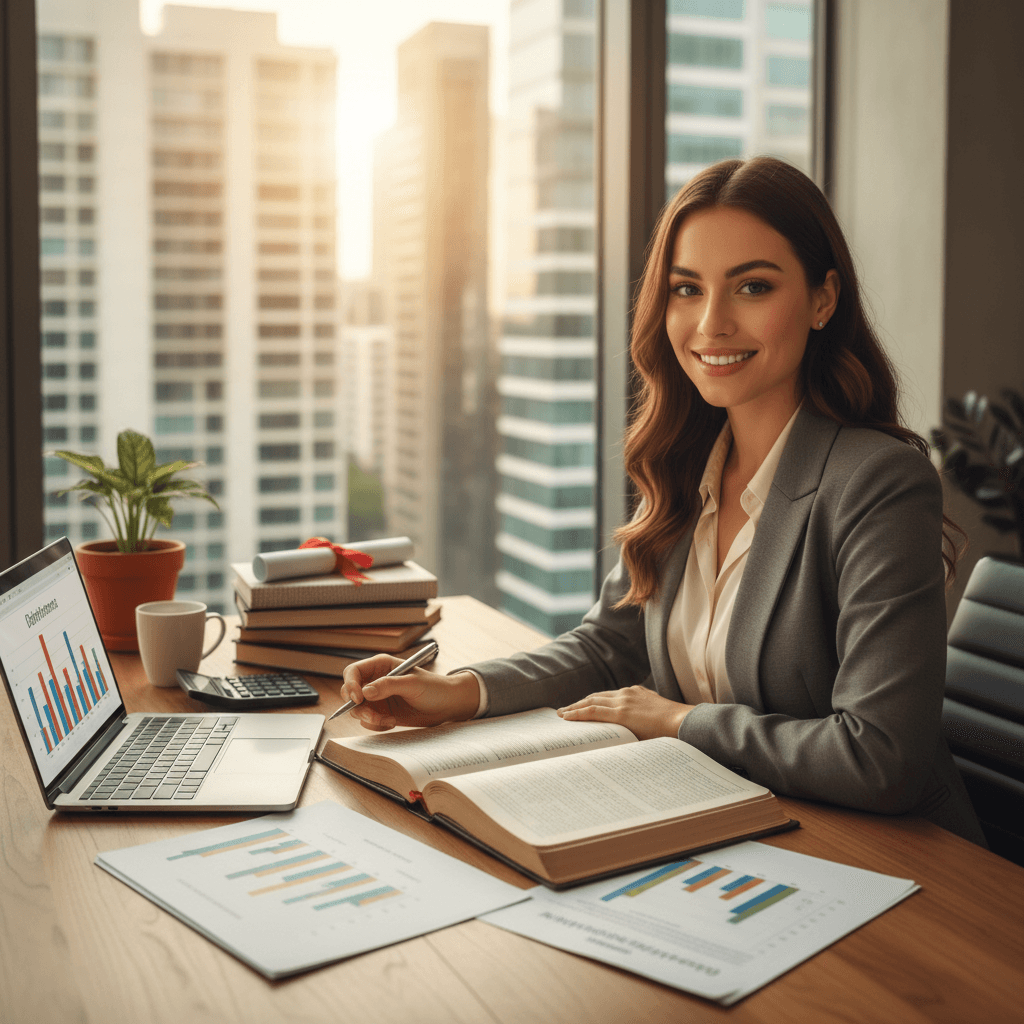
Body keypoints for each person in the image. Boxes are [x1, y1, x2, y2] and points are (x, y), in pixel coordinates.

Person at [340, 156, 985, 845]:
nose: (711, 323)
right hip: (743, 824)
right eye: (687, 289)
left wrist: (675, 721)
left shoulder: (877, 483)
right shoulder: (688, 462)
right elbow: (607, 647)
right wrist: (460, 692)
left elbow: (880, 757)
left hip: (902, 864)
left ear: (823, 300)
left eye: (753, 287)